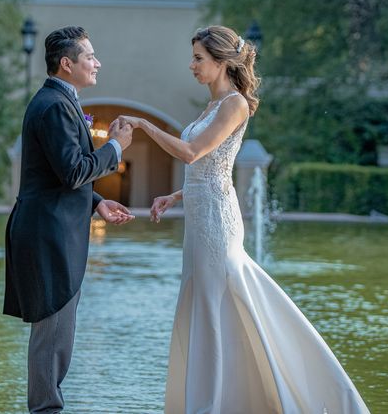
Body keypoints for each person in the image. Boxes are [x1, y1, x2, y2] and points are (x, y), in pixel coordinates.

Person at [115, 26, 370, 414]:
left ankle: (224, 402)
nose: (192, 66)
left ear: (221, 62)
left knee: (221, 301)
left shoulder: (234, 104)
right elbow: (213, 170)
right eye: (194, 58)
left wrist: (144, 125)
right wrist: (175, 195)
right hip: (201, 216)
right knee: (207, 301)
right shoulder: (210, 106)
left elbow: (191, 153)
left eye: (199, 58)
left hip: (217, 222)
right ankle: (221, 398)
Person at [4, 26, 135, 414]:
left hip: (52, 229)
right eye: (90, 56)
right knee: (52, 332)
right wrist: (115, 147)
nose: (97, 62)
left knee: (57, 332)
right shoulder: (54, 105)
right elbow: (74, 171)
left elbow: (59, 174)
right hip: (49, 235)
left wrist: (96, 203)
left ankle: (47, 408)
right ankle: (45, 410)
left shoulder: (59, 101)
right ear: (67, 63)